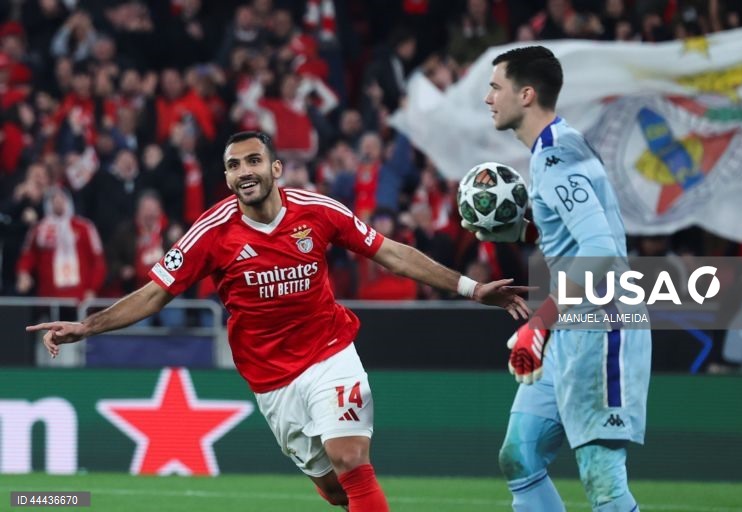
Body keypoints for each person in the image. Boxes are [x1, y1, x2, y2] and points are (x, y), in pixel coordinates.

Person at [27, 131, 531, 512]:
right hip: (272, 381)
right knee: (336, 491)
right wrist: (86, 327)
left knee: (352, 459)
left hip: (331, 351)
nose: (243, 171)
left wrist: (471, 288)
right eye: (232, 166)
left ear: (276, 167)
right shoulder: (212, 232)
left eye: (252, 161)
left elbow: (391, 253)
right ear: (226, 178)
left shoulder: (317, 211)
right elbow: (157, 293)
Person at [470, 46, 652, 511]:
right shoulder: (557, 148)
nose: (488, 97)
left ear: (526, 94)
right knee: (520, 455)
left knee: (603, 482)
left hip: (604, 322)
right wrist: (523, 228)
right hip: (575, 323)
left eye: (496, 86)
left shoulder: (555, 159)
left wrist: (539, 323)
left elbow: (602, 253)